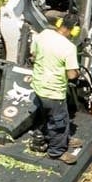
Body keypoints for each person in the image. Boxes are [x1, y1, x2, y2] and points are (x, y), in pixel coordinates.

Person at [30, 11, 83, 161]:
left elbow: (33, 54)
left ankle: (62, 139)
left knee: (48, 115)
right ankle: (57, 151)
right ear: (75, 30)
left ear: (59, 23)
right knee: (59, 122)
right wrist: (77, 72)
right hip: (53, 92)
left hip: (38, 85)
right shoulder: (69, 47)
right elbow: (71, 75)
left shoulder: (43, 34)